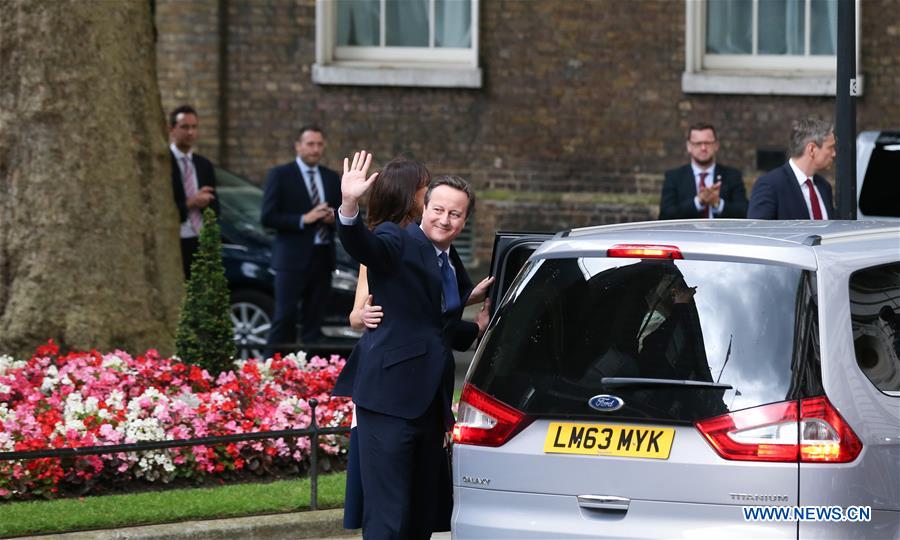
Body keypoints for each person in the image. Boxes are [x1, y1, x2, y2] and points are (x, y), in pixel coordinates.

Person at [334, 151, 490, 539]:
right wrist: (350, 204)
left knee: (421, 517)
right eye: (437, 209)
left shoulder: (451, 263)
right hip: (388, 402)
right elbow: (363, 245)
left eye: (455, 214)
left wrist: (478, 326)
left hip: (429, 408)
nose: (444, 219)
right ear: (423, 206)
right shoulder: (397, 240)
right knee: (389, 518)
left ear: (464, 221)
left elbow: (435, 327)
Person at [262, 125, 340, 354]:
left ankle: (309, 374)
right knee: (284, 317)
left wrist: (333, 218)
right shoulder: (280, 175)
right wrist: (303, 219)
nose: (315, 149)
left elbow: (341, 213)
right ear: (298, 146)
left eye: (319, 144)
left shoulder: (330, 177)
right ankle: (270, 368)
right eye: (310, 144)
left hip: (323, 257)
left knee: (314, 321)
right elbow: (267, 217)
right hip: (291, 259)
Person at [747, 118, 836, 220]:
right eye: (830, 147)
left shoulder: (824, 186)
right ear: (812, 149)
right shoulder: (770, 185)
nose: (834, 153)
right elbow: (759, 231)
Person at [169, 105, 220, 278]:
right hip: (175, 239)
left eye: (194, 127)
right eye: (185, 127)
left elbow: (215, 205)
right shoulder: (164, 163)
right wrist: (191, 202)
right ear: (172, 129)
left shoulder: (203, 164)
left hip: (200, 238)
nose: (190, 132)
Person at [659, 122, 747, 220]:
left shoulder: (732, 176)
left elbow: (744, 213)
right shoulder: (674, 177)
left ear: (716, 145)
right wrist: (698, 201)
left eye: (708, 143)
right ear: (689, 146)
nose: (703, 148)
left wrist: (717, 203)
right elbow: (665, 215)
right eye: (698, 143)